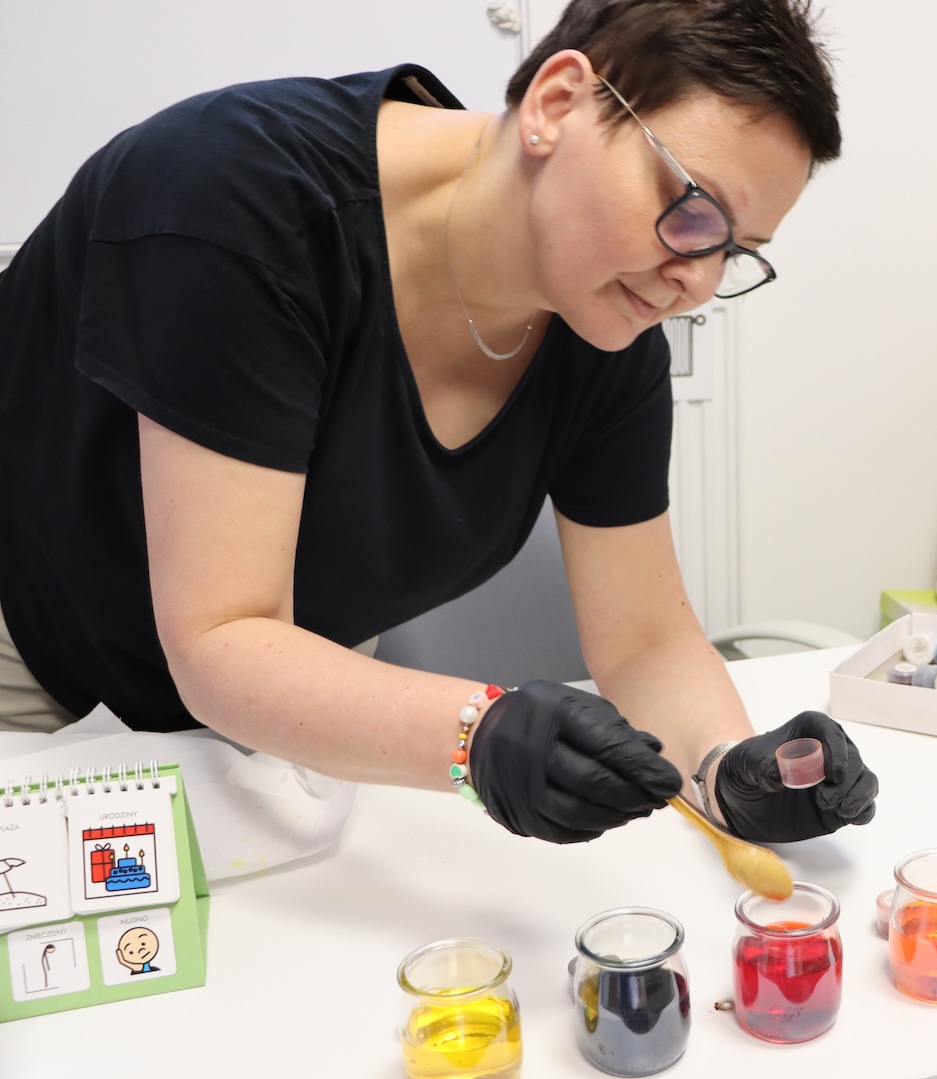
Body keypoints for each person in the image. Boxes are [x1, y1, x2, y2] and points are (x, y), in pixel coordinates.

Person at [0, 0, 877, 846]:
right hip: (32, 672)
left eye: (736, 251)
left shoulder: (604, 325)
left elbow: (645, 638)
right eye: (694, 210)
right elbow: (222, 633)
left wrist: (726, 772)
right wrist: (476, 733)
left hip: (281, 696)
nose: (699, 281)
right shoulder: (236, 197)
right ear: (557, 102)